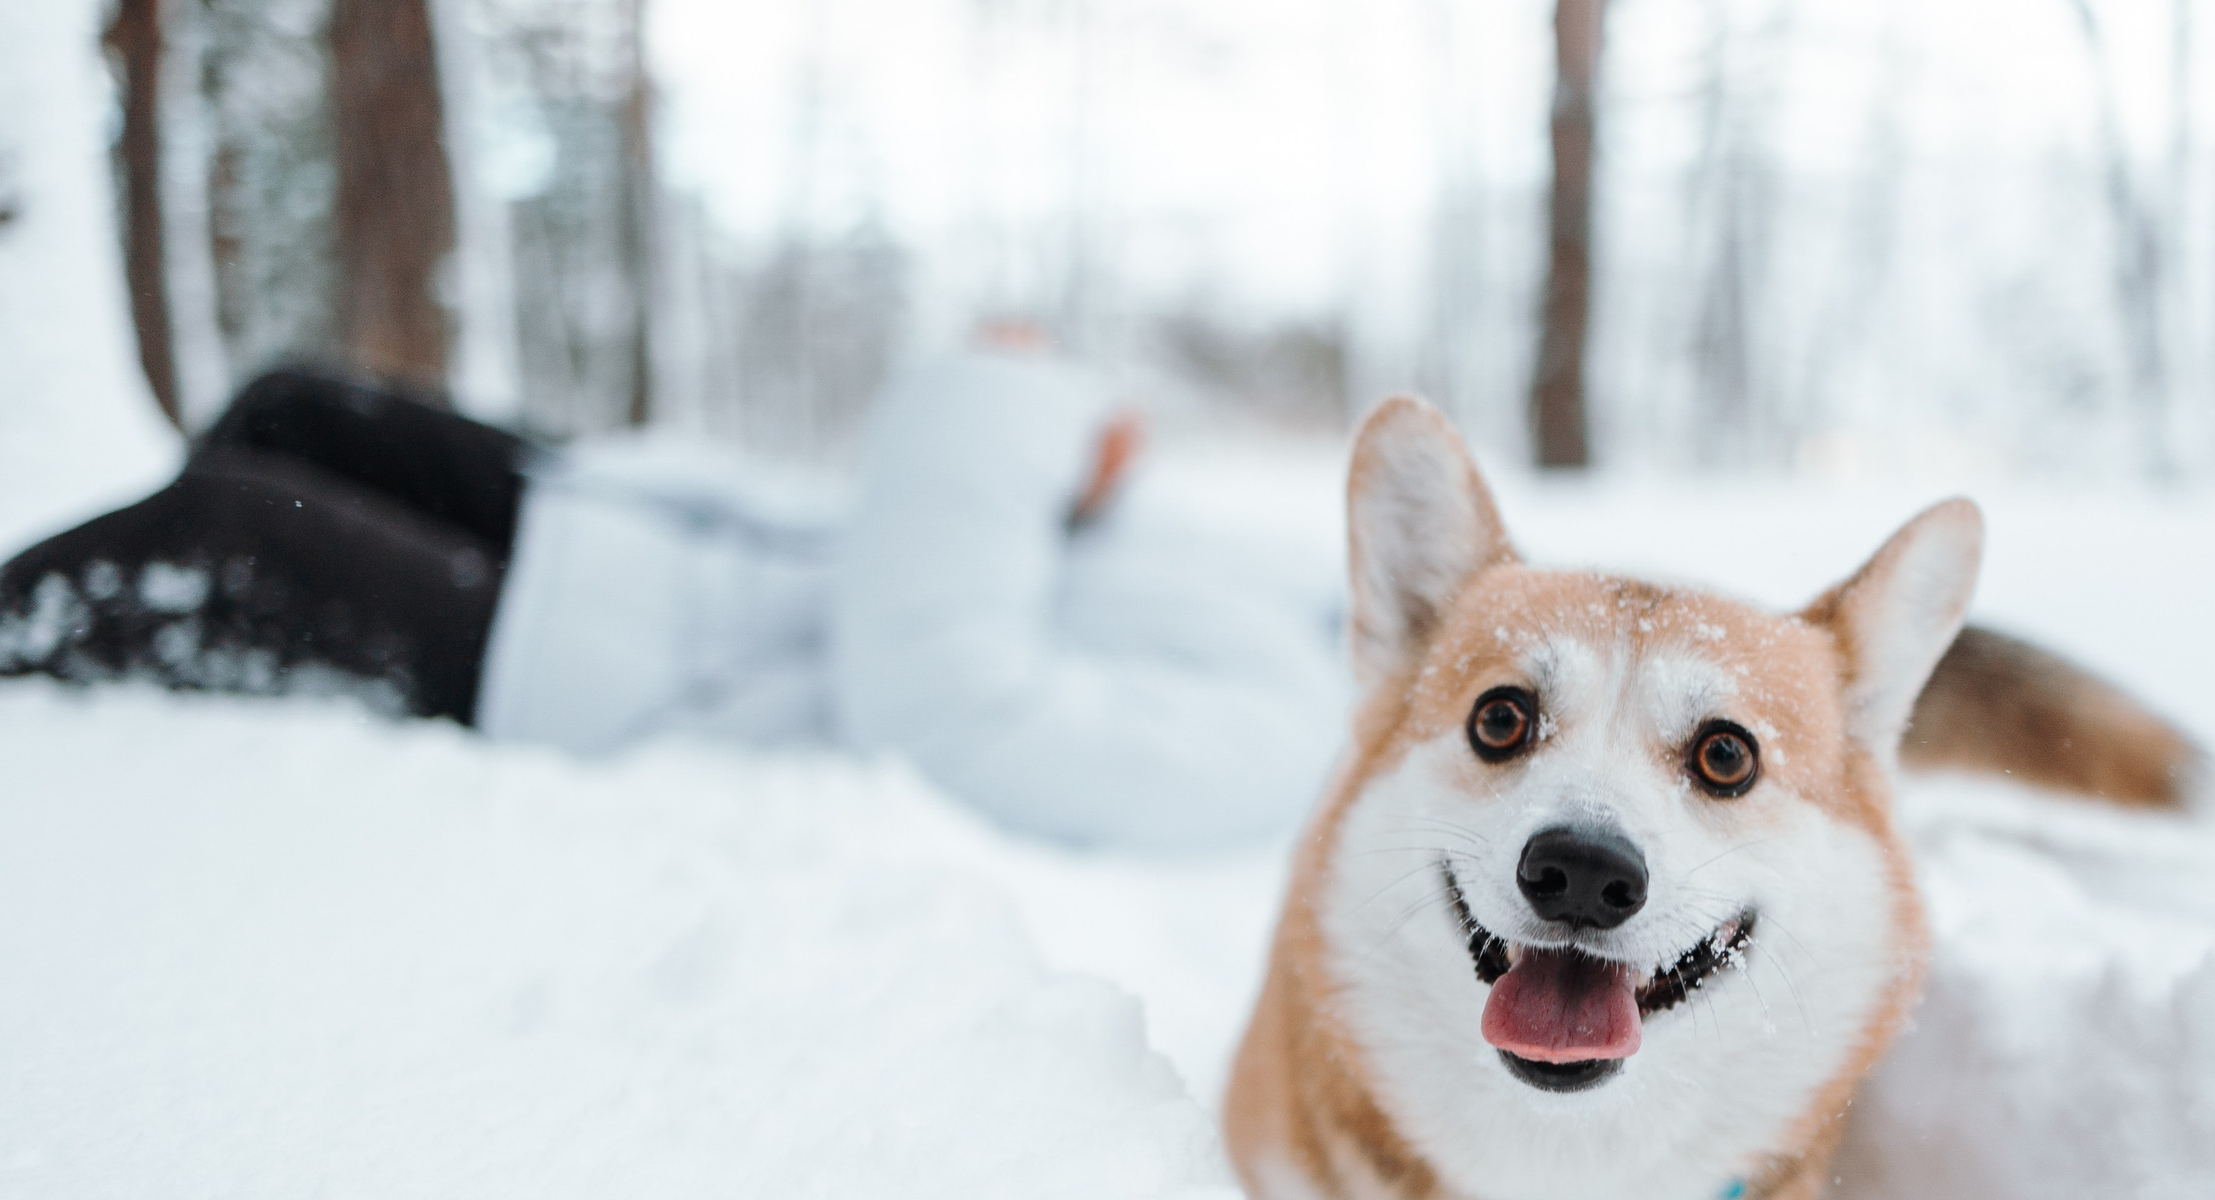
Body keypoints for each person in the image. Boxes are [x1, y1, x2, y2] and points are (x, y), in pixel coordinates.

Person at [0, 349, 1346, 850]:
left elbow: (948, 701)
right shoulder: (1300, 597)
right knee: (295, 406)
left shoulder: (1280, 746)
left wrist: (1018, 403)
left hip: (591, 663)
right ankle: (138, 700)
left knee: (232, 534)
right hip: (635, 529)